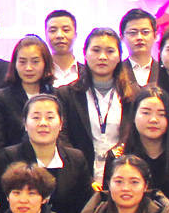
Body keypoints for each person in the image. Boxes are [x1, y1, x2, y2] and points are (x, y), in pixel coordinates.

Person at [59, 28, 140, 181]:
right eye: (96, 50)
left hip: (124, 178)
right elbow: (62, 138)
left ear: (119, 56)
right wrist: (83, 176)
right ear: (85, 54)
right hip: (79, 178)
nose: (102, 57)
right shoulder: (67, 95)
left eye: (110, 51)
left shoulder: (135, 95)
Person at [0, 94, 92, 213]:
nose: (43, 123)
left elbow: (84, 207)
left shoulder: (76, 159)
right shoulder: (9, 157)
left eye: (50, 117)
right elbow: (5, 207)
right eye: (36, 117)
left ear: (61, 124)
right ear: (25, 124)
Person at [101, 86, 169, 206]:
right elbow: (108, 202)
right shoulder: (118, 156)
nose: (153, 120)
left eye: (162, 114)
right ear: (133, 116)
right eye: (146, 113)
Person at [0, 35, 56, 151]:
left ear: (45, 63)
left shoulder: (55, 96)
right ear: (14, 64)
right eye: (22, 62)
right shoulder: (1, 98)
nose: (28, 68)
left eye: (35, 62)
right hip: (13, 160)